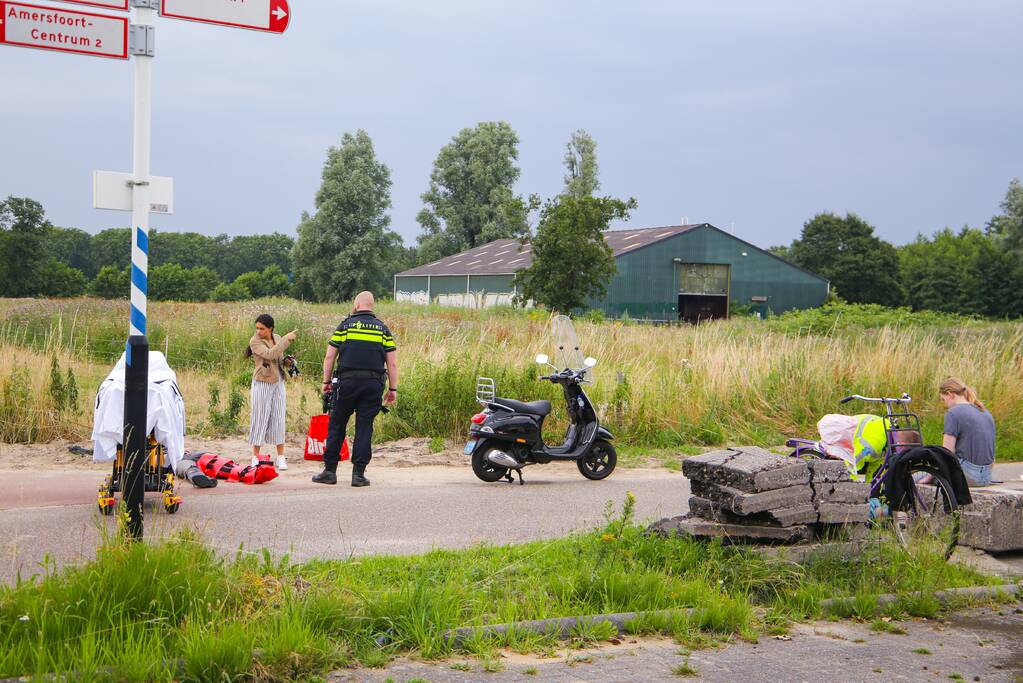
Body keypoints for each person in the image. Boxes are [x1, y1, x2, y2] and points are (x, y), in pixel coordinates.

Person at [313, 291, 398, 487]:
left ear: (357, 304)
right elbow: (392, 364)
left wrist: (326, 382)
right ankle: (358, 475)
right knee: (364, 427)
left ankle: (329, 472)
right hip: (373, 385)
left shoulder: (345, 326)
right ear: (372, 305)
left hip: (346, 383)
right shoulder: (383, 329)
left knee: (337, 424)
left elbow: (329, 356)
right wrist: (393, 389)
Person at [246, 314, 297, 470]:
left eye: (262, 328)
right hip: (262, 382)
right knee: (259, 417)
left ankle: (280, 457)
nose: (259, 331)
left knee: (278, 418)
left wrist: (288, 362)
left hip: (278, 382)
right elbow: (269, 354)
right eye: (257, 328)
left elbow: (278, 358)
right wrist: (286, 340)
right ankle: (255, 456)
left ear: (270, 328)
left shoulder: (276, 337)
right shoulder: (255, 341)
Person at [940, 377, 996, 486]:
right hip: (987, 476)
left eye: (943, 399)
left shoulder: (953, 413)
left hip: (968, 475)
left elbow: (946, 453)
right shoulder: (984, 412)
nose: (944, 404)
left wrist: (931, 474)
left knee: (914, 475)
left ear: (950, 394)